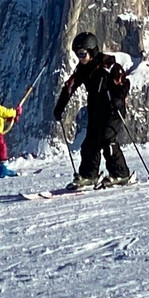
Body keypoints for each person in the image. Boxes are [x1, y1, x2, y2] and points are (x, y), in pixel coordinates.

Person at [53, 32, 134, 190]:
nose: (80, 58)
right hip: (96, 109)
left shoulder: (108, 66)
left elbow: (124, 84)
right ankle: (89, 176)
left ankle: (121, 174)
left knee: (107, 139)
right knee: (90, 142)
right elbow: (70, 87)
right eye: (78, 55)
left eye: (82, 54)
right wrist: (60, 107)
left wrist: (117, 98)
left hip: (112, 110)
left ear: (92, 50)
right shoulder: (82, 69)